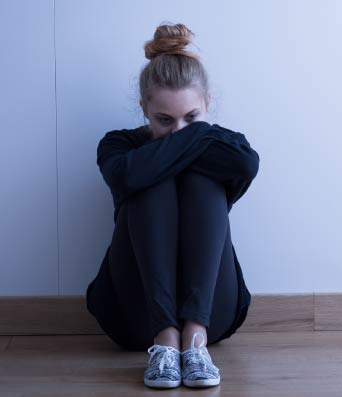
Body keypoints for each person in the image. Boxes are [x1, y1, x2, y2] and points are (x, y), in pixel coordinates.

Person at [84, 22, 260, 389]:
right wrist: (196, 137)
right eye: (164, 120)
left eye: (192, 119)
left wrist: (175, 144)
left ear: (207, 104)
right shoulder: (118, 144)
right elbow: (126, 177)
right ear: (144, 107)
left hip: (214, 314)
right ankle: (164, 340)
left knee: (199, 178)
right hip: (133, 317)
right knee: (149, 178)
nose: (179, 131)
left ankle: (194, 339)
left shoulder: (229, 149)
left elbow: (247, 164)